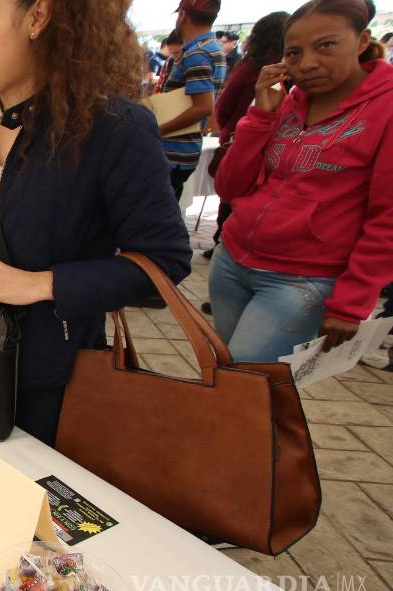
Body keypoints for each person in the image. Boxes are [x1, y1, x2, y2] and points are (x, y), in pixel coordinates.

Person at [0, 0, 192, 446]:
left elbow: (166, 260)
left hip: (51, 380)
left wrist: (44, 284)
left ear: (38, 17)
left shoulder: (114, 129)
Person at [209, 0, 393, 363]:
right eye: (294, 53)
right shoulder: (290, 101)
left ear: (361, 41)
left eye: (326, 45)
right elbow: (229, 188)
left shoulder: (385, 109)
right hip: (231, 261)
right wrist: (260, 115)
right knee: (231, 376)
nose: (307, 63)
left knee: (245, 382)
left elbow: (387, 218)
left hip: (302, 281)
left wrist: (352, 301)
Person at [200, 11, 290, 264]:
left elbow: (223, 108)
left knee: (231, 200)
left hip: (242, 142)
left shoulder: (252, 67)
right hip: (263, 145)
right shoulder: (278, 71)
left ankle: (224, 243)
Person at [159, 0, 227, 201]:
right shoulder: (210, 48)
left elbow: (203, 107)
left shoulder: (198, 53)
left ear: (183, 15)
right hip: (183, 150)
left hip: (174, 153)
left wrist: (158, 130)